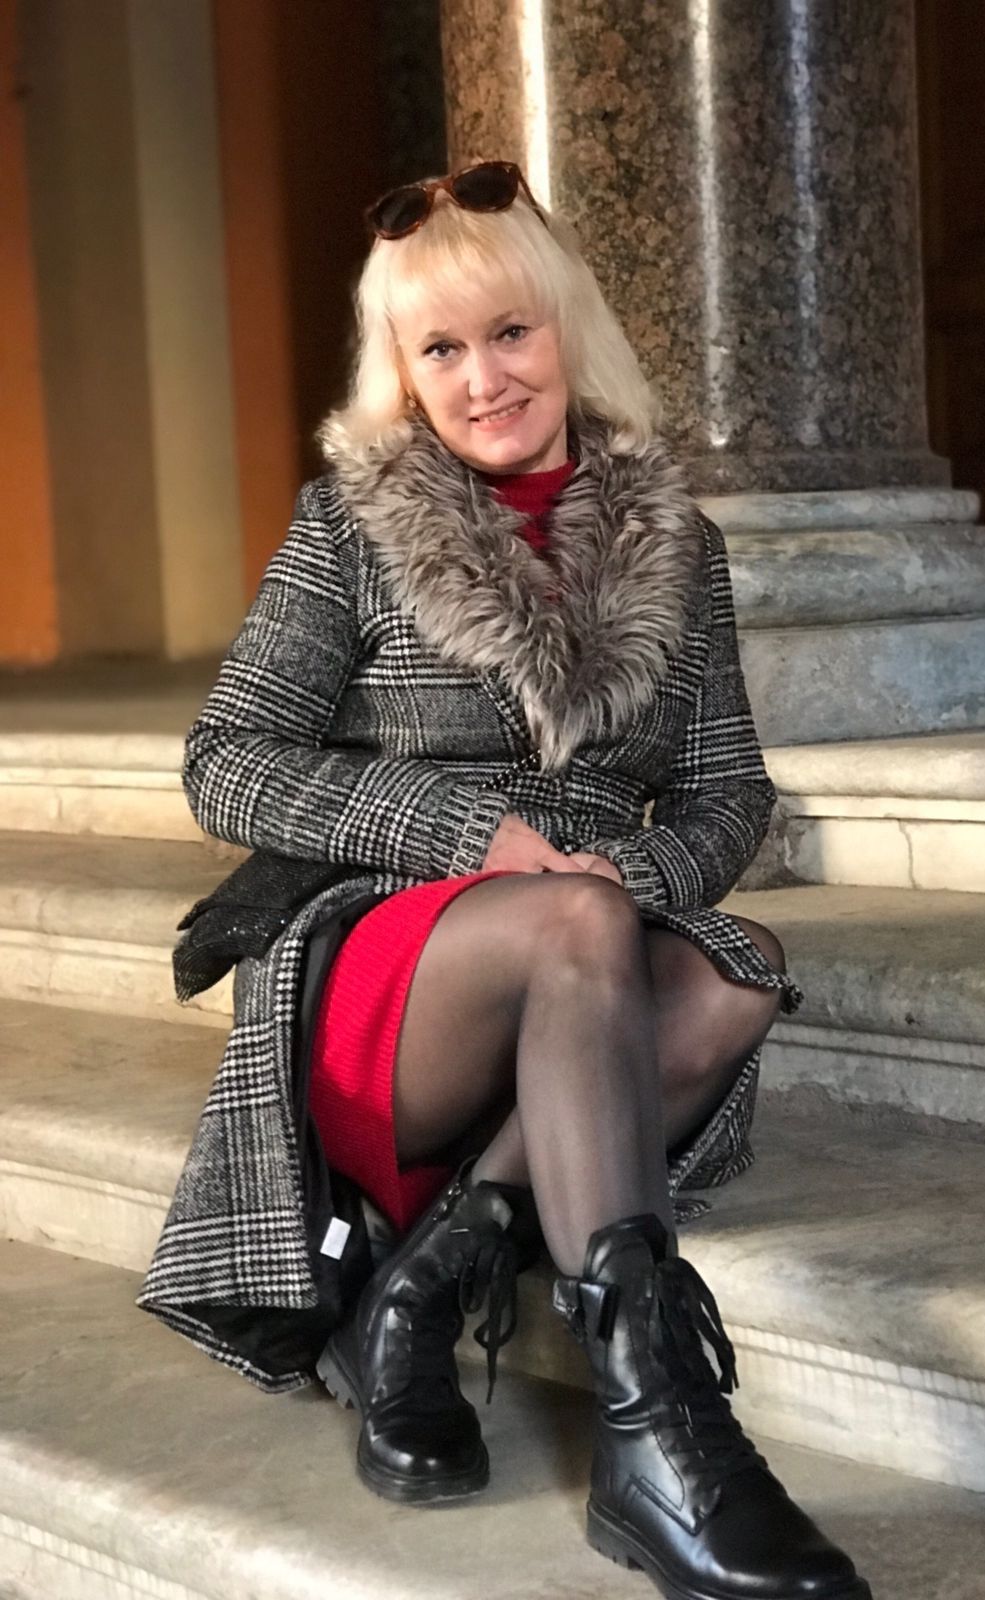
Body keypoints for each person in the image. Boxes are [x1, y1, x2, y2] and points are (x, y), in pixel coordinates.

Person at [142, 160, 872, 1600]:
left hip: (580, 933)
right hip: (392, 969)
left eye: (511, 332)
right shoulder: (349, 529)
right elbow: (225, 762)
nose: (485, 380)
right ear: (404, 374)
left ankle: (420, 1281)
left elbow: (728, 790)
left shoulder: (679, 543)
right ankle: (658, 1431)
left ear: (567, 326)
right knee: (581, 927)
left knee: (734, 975)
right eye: (442, 350)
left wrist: (634, 866)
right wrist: (458, 834)